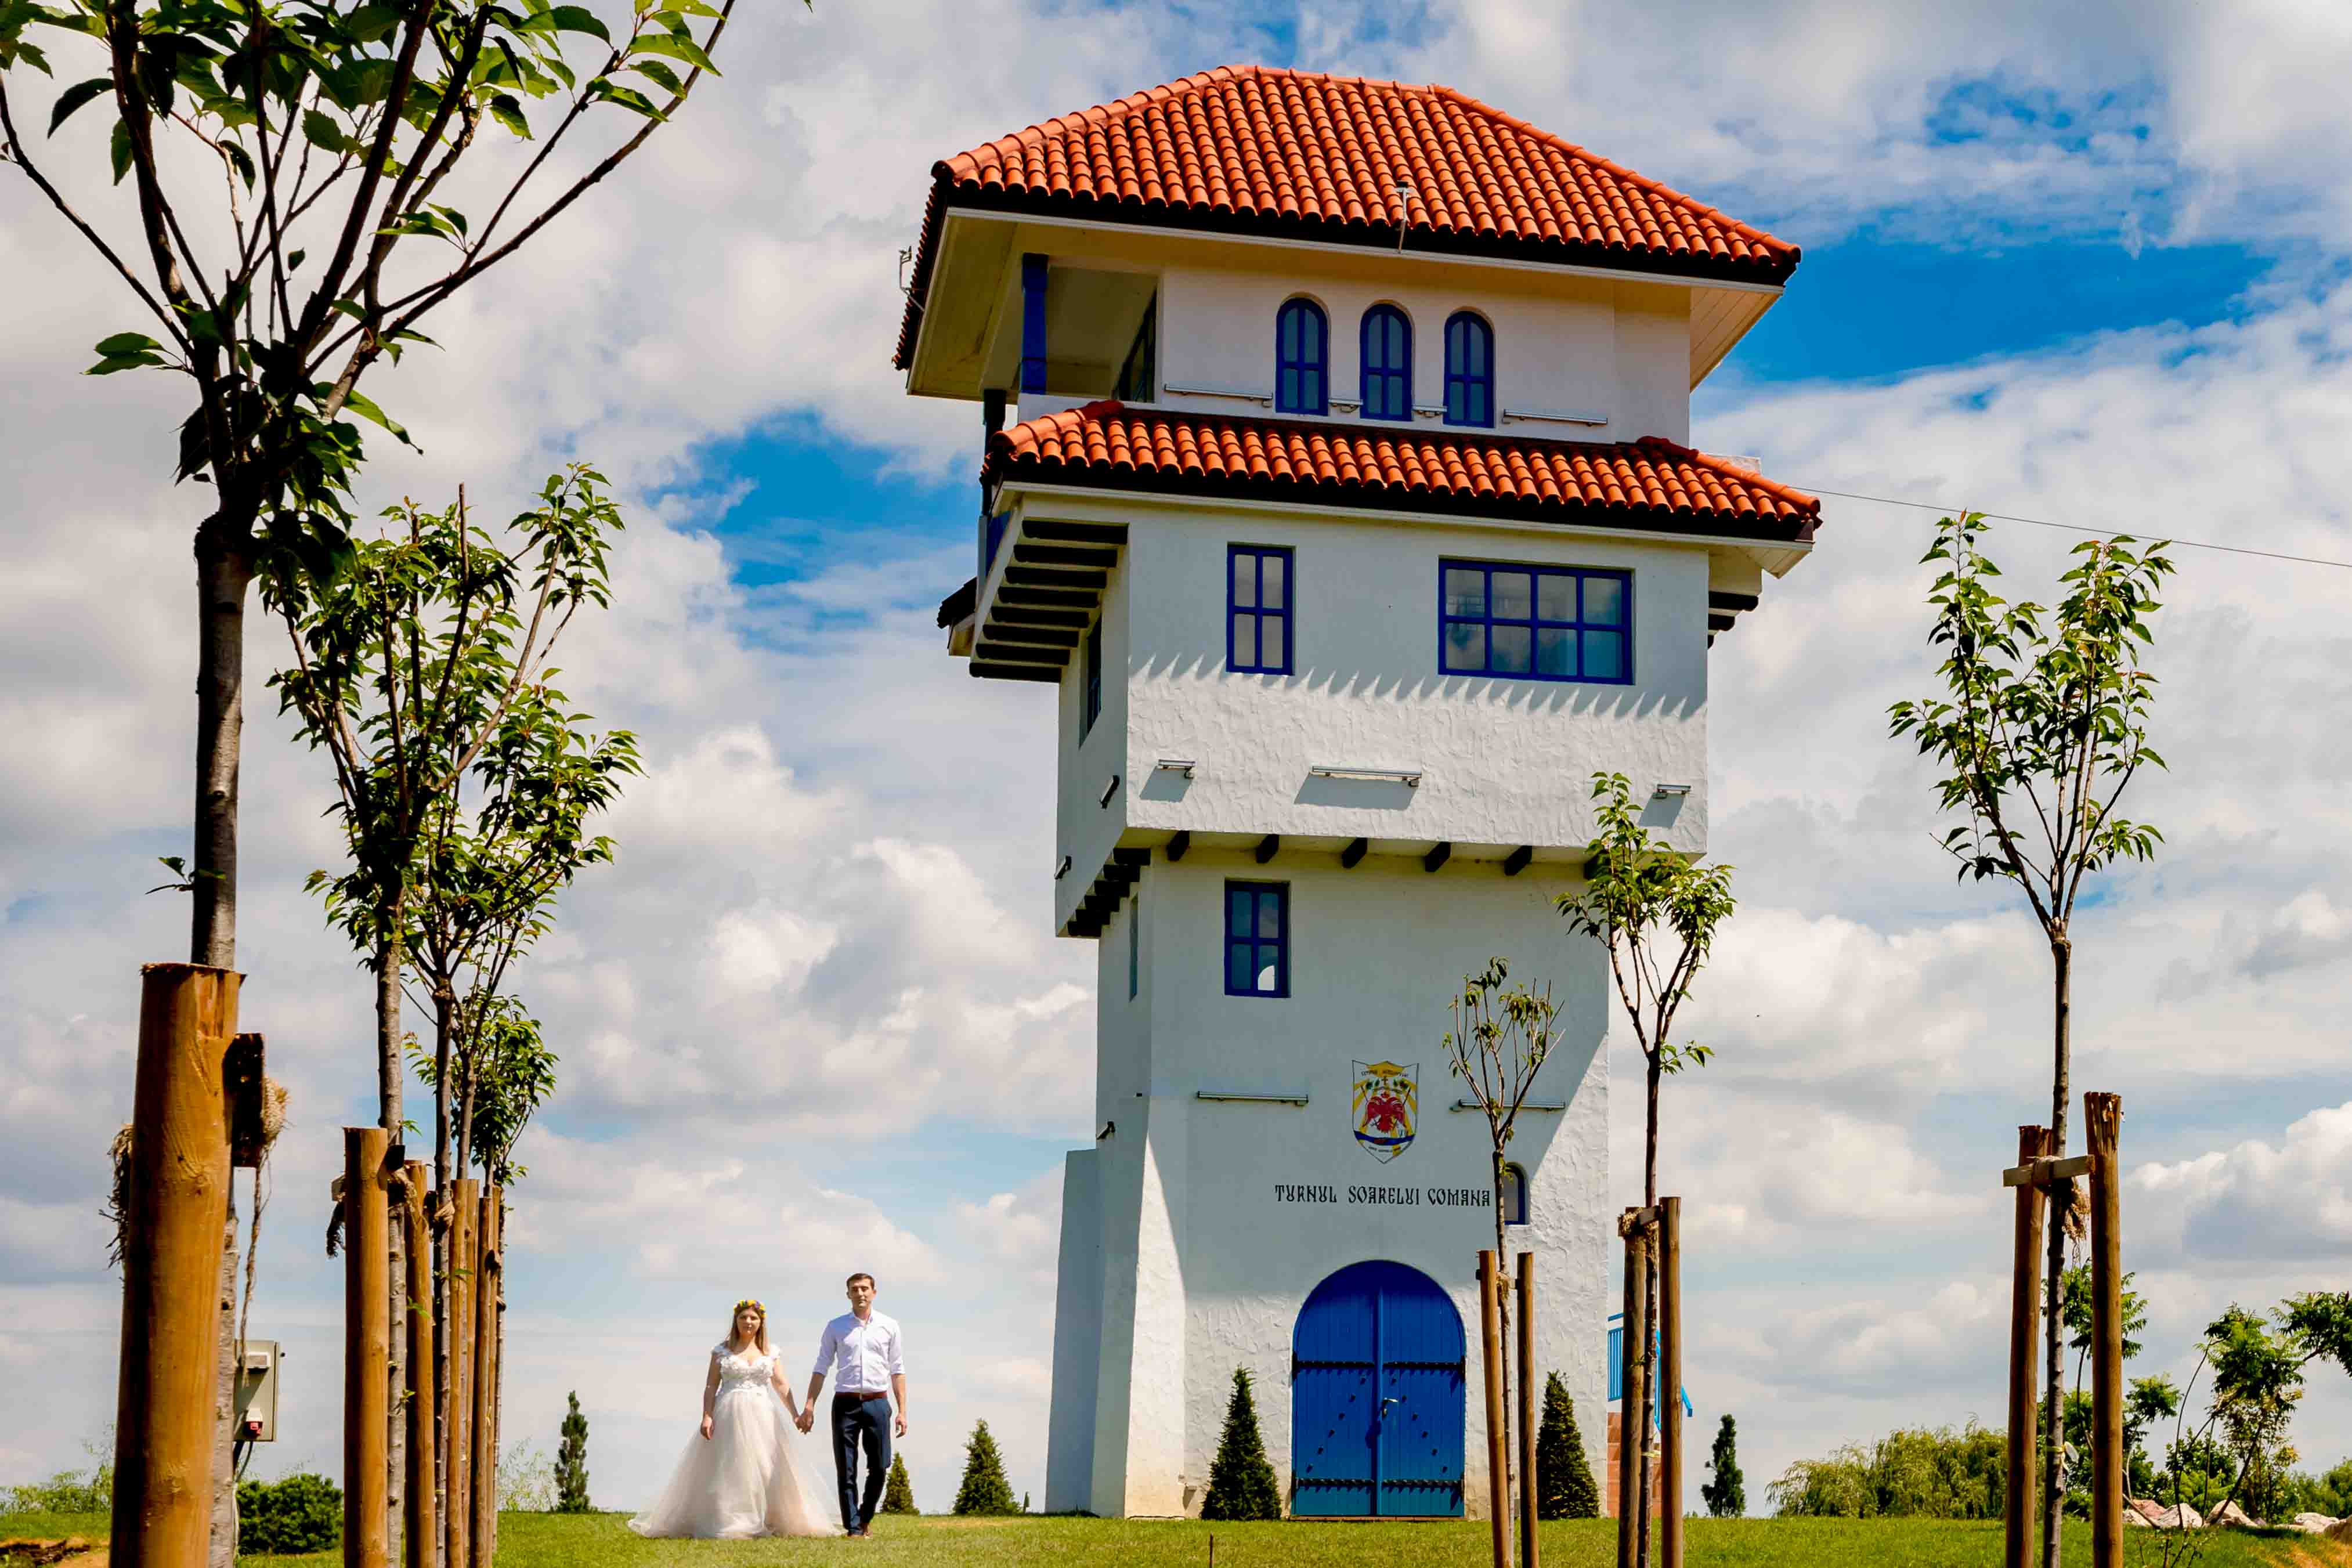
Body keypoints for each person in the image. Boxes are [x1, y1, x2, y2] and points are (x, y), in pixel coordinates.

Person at [628, 1299, 836, 1538]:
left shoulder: (770, 1352)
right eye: (743, 1318)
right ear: (736, 1321)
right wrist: (707, 1416)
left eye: (753, 1318)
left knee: (766, 1467)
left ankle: (770, 1518)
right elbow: (711, 1385)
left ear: (761, 1322)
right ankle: (729, 1518)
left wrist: (796, 1414)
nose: (748, 1322)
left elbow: (781, 1384)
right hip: (729, 1412)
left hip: (762, 1414)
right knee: (730, 1467)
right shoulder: (721, 1351)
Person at [798, 1271, 908, 1537]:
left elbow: (898, 1369)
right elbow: (821, 1366)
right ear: (848, 1294)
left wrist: (903, 1411)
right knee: (846, 1468)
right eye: (854, 1289)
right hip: (844, 1404)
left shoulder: (889, 1326)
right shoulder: (836, 1327)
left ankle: (865, 1516)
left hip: (878, 1403)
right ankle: (854, 1527)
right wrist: (810, 1405)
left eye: (864, 1289)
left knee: (880, 1465)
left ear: (874, 1292)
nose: (860, 1293)